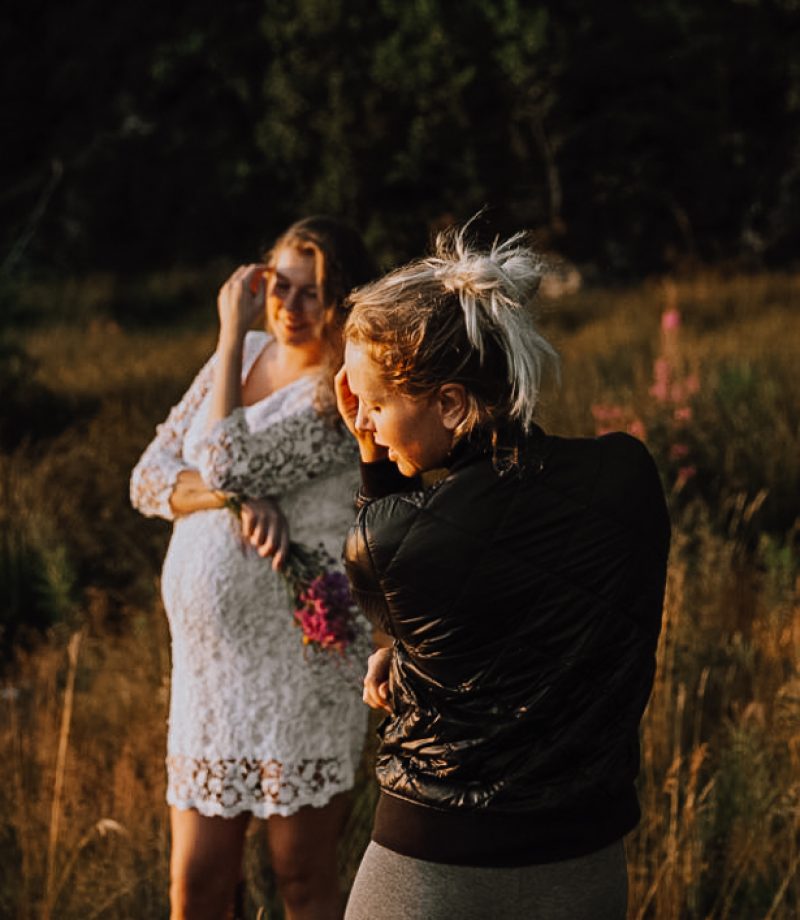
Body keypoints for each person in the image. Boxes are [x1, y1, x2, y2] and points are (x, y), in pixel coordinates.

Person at [334, 224, 671, 920]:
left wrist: (371, 462)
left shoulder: (388, 539)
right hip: (583, 867)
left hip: (432, 869)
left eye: (373, 406)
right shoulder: (628, 476)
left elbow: (407, 583)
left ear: (453, 404)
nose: (364, 420)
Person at [130, 216, 375, 920]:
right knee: (197, 886)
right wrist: (240, 502)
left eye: (311, 294)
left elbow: (224, 458)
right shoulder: (240, 361)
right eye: (279, 287)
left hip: (302, 666)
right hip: (210, 679)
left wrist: (229, 332)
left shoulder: (345, 389)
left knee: (301, 879)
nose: (288, 309)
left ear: (341, 300)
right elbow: (148, 479)